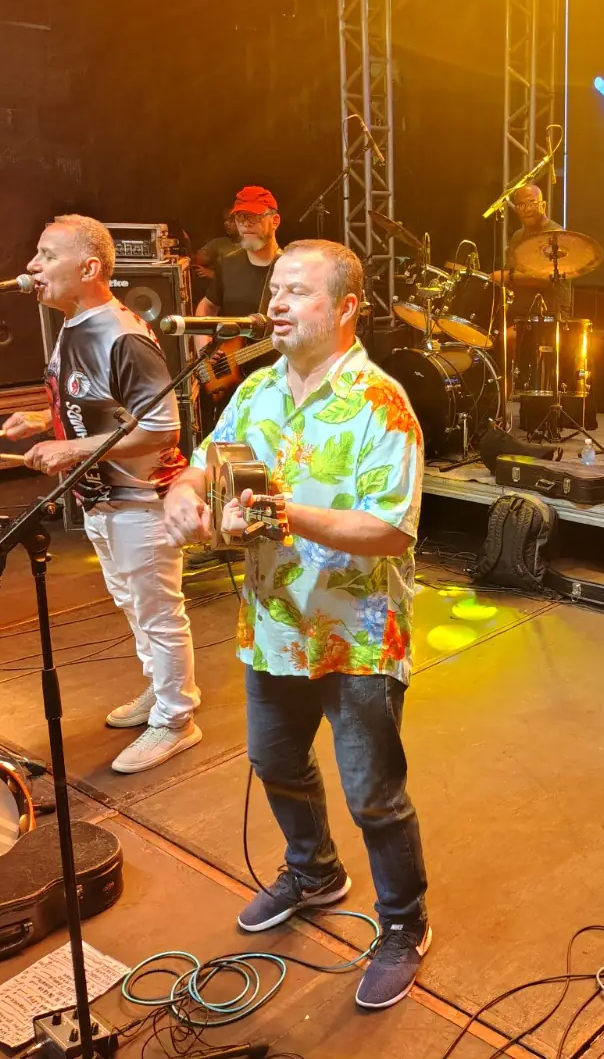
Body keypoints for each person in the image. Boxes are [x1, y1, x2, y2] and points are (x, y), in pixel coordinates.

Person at [162, 238, 431, 1011]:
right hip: (275, 626)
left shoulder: (381, 403)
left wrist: (284, 513)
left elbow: (390, 530)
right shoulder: (255, 391)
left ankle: (403, 923)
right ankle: (314, 872)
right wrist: (184, 495)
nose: (275, 303)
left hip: (358, 634)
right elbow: (206, 465)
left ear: (345, 309)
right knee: (275, 761)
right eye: (274, 289)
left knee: (374, 794)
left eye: (297, 291)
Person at [2, 214, 201, 774]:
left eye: (47, 256)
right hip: (103, 499)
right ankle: (161, 689)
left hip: (142, 499)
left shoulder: (122, 335)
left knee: (157, 611)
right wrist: (44, 418)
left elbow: (161, 428)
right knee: (134, 604)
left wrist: (69, 449)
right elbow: (97, 403)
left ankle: (177, 719)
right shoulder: (75, 324)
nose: (32, 266)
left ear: (89, 268)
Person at [197, 185, 281, 319]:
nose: (246, 224)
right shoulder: (227, 263)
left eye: (254, 217)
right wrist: (202, 332)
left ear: (274, 221)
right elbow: (207, 306)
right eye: (240, 217)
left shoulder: (292, 267)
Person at [502, 182, 570, 316]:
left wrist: (508, 277)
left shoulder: (556, 235)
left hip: (550, 313)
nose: (527, 209)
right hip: (521, 311)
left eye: (531, 203)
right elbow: (509, 270)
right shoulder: (517, 236)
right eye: (521, 205)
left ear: (543, 206)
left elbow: (548, 278)